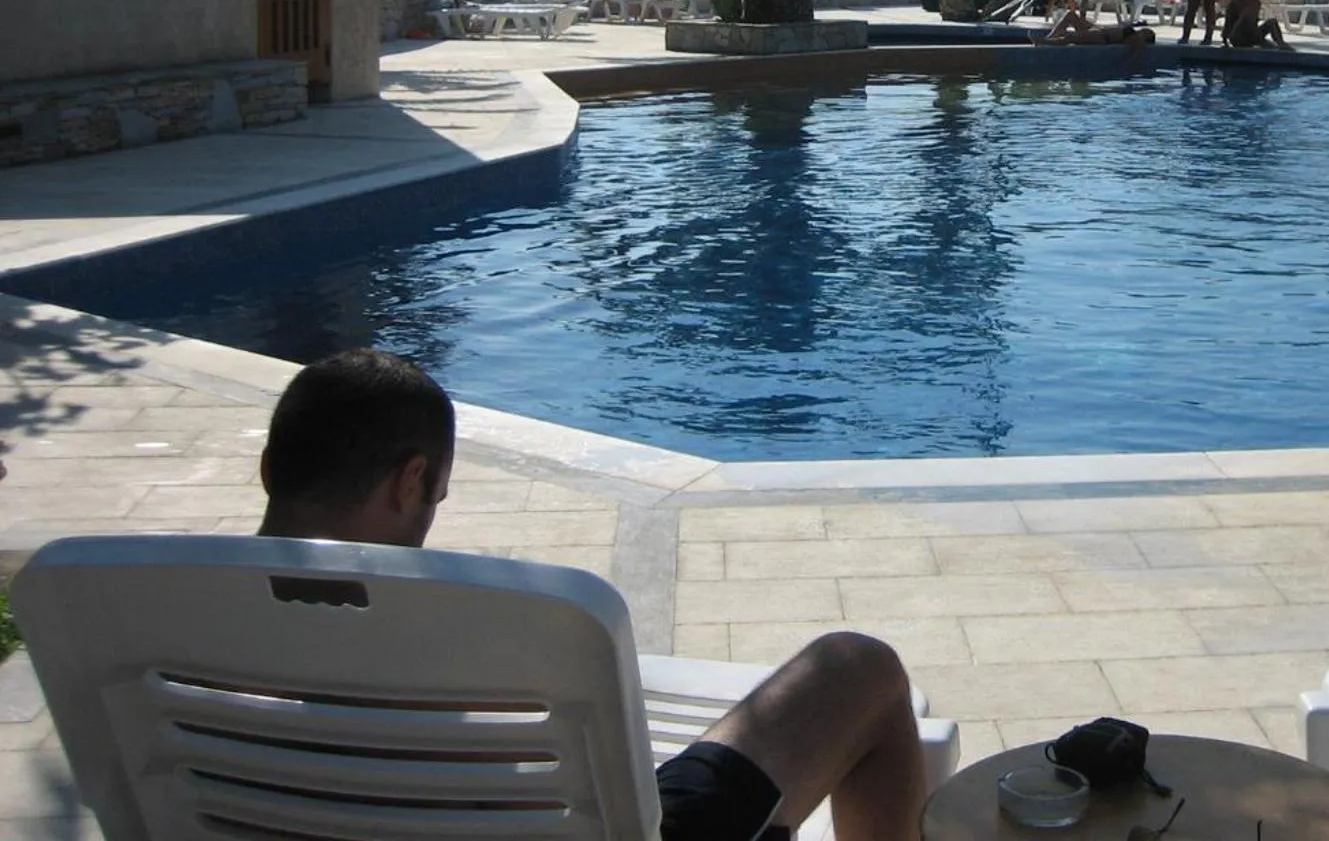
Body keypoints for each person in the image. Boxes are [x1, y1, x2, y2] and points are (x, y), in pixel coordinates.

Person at [258, 350, 926, 841]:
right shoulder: (462, 629)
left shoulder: (166, 608)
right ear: (410, 482)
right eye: (435, 497)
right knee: (857, 668)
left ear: (271, 467)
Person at [1222, 0, 1288, 49]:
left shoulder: (1255, 3)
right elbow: (1228, 24)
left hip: (1251, 36)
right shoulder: (1236, 4)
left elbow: (1252, 24)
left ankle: (1281, 44)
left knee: (1272, 22)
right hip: (1238, 38)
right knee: (1247, 17)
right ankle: (1276, 44)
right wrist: (1225, 42)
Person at [1037, 9, 1157, 47]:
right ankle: (1048, 38)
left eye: (1147, 32)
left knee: (1071, 37)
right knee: (1071, 15)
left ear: (1147, 37)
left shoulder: (1137, 39)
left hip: (1101, 37)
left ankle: (1046, 42)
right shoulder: (1134, 33)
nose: (1144, 30)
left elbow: (1138, 53)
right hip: (1098, 30)